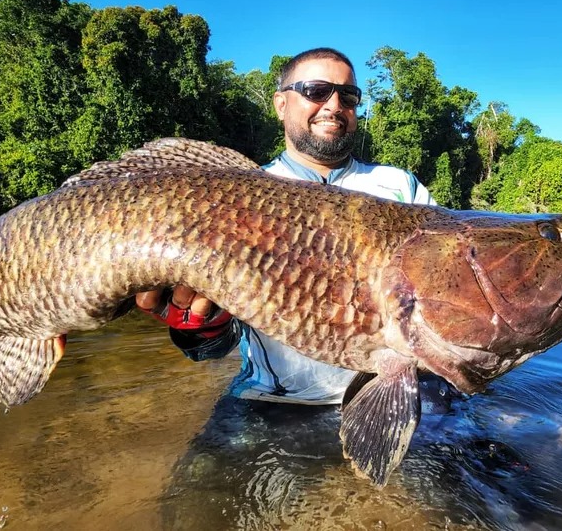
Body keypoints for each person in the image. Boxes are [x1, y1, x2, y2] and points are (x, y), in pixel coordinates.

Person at [135, 47, 436, 405]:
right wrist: (202, 327)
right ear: (280, 104)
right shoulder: (233, 192)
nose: (335, 105)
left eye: (348, 95)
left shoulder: (401, 186)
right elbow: (209, 352)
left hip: (396, 395)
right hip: (272, 403)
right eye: (316, 91)